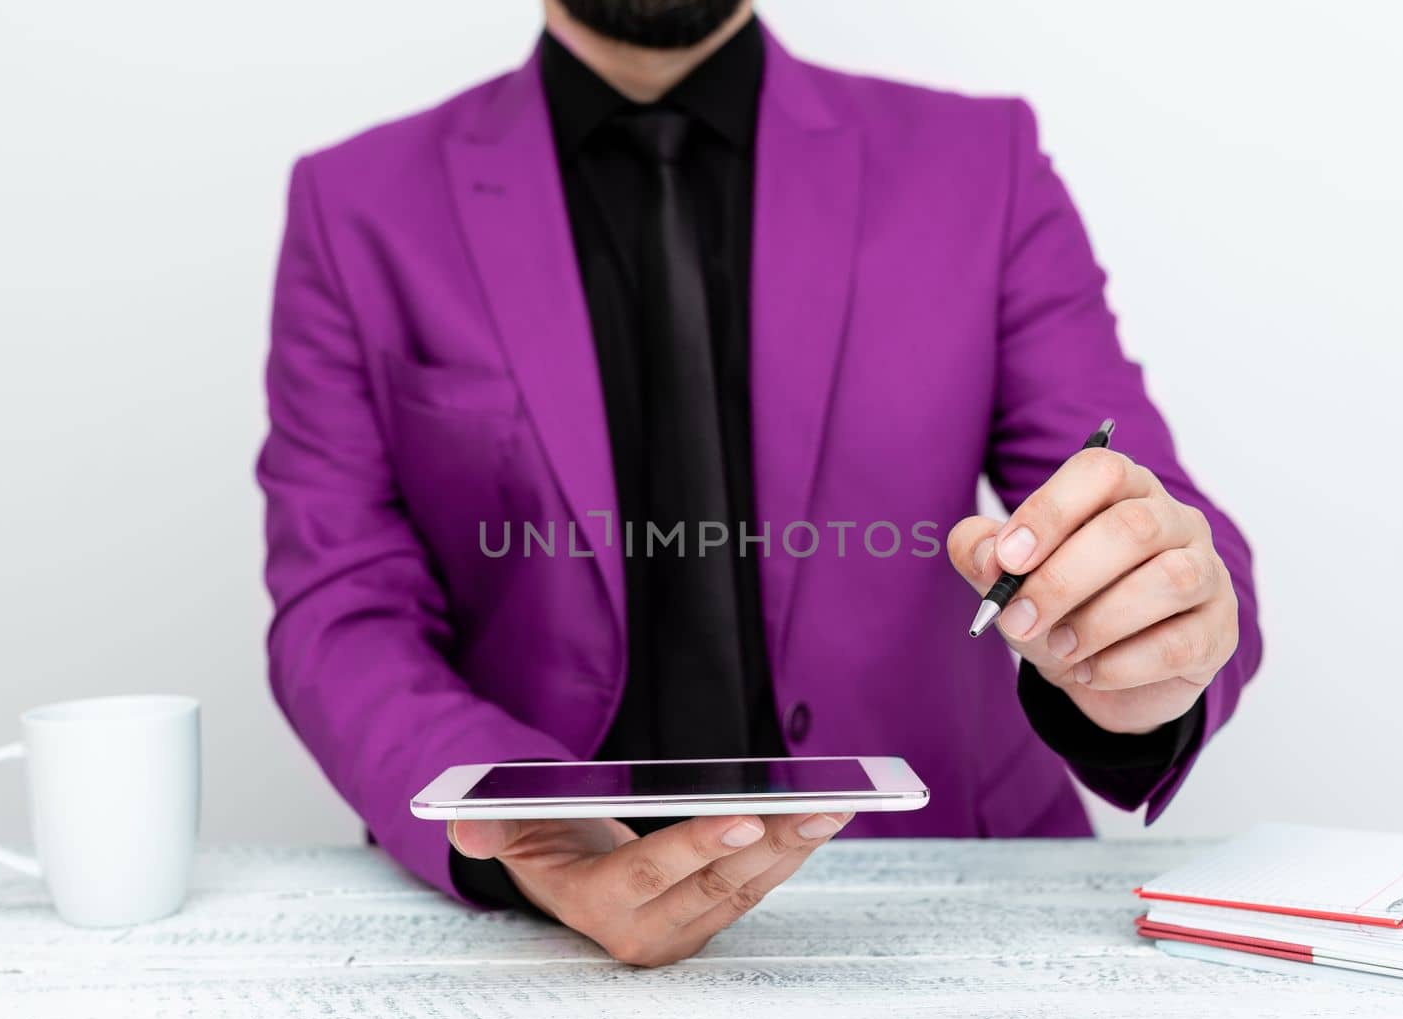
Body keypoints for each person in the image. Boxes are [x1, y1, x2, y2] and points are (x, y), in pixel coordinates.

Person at [257, 0, 1261, 967]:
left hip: (944, 914)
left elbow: (1129, 498)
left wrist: (1144, 652)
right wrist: (521, 832)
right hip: (535, 938)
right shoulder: (356, 206)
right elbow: (340, 604)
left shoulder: (978, 163)